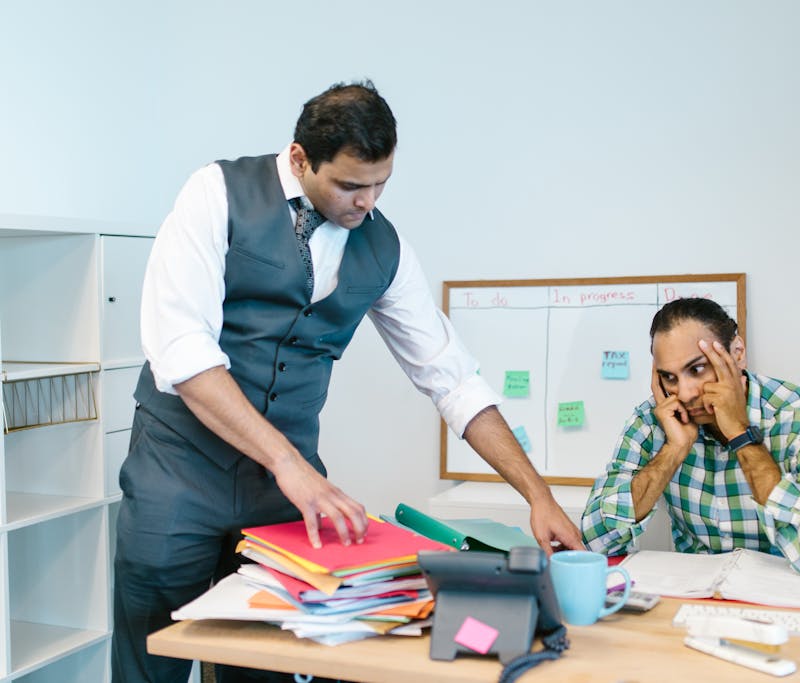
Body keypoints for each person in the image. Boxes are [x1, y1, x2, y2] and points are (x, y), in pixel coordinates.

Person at [113, 80, 583, 683]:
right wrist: (290, 464)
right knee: (152, 658)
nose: (367, 202)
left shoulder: (385, 248)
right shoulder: (216, 194)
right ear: (301, 159)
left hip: (283, 494)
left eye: (381, 183)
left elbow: (453, 379)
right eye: (351, 185)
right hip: (178, 474)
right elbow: (182, 353)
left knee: (274, 664)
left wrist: (537, 495)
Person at [581, 297, 800, 577]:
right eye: (670, 378)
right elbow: (595, 543)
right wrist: (674, 449)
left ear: (738, 352)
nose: (684, 393)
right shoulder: (655, 419)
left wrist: (742, 436)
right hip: (693, 600)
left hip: (784, 596)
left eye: (696, 369)